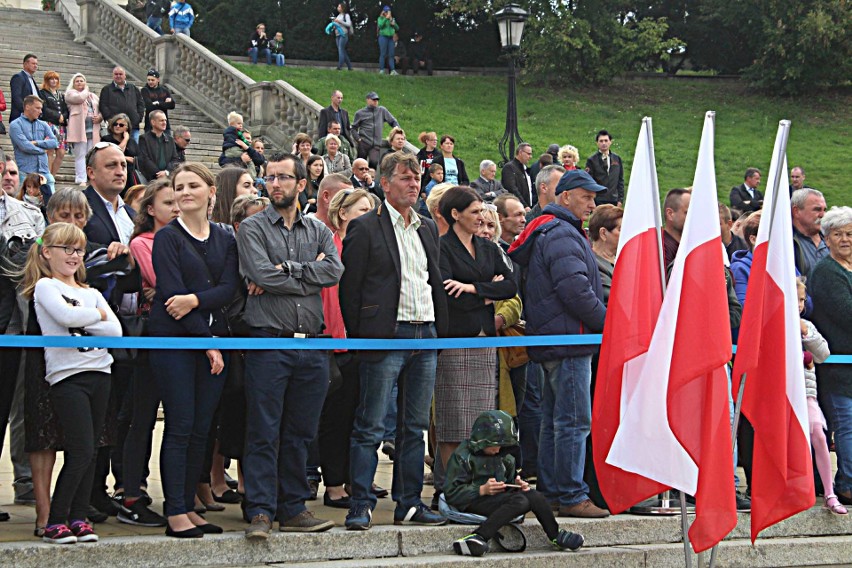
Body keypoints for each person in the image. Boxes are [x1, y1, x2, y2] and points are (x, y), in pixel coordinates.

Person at [339, 151, 448, 530]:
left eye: (416, 178)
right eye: (405, 177)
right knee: (370, 425)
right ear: (384, 183)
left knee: (415, 425)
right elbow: (349, 289)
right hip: (386, 335)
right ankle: (361, 503)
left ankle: (409, 502)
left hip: (426, 333)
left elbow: (431, 278)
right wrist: (362, 339)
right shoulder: (366, 226)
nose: (413, 184)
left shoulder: (427, 227)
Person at [237, 152, 342, 538]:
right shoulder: (252, 228)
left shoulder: (317, 230)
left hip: (311, 344)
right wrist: (301, 275)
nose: (274, 184)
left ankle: (293, 507)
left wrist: (288, 272)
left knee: (301, 431)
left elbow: (333, 271)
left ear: (302, 184)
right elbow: (259, 272)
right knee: (263, 429)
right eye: (269, 177)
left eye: (283, 177)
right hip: (268, 342)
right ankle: (261, 511)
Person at [508, 169, 610, 519]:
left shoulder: (551, 229)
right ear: (565, 197)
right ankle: (571, 494)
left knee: (555, 421)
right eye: (586, 196)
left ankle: (553, 492)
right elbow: (576, 292)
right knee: (573, 422)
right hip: (569, 341)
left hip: (558, 340)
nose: (592, 204)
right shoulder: (563, 234)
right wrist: (611, 324)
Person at [148, 162, 238, 538]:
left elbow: (228, 288)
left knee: (202, 428)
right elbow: (171, 298)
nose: (184, 193)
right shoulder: (168, 238)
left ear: (210, 191)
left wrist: (195, 301)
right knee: (181, 426)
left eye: (192, 186)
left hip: (212, 341)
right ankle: (176, 511)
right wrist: (206, 342)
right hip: (176, 343)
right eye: (178, 187)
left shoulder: (225, 236)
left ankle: (190, 504)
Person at [23, 222, 122, 544]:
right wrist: (98, 317)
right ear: (47, 252)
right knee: (79, 450)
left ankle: (78, 517)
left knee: (92, 451)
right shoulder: (45, 287)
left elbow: (116, 331)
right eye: (66, 248)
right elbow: (65, 318)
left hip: (100, 373)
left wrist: (92, 316)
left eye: (78, 249)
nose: (73, 255)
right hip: (68, 376)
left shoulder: (90, 292)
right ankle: (55, 520)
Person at [434, 186, 516, 474]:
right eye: (474, 212)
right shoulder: (441, 247)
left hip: (484, 341)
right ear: (455, 214)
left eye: (482, 210)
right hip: (456, 340)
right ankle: (451, 484)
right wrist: (487, 294)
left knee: (481, 418)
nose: (481, 217)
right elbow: (446, 294)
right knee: (454, 418)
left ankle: (475, 481)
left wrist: (472, 288)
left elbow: (510, 285)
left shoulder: (488, 247)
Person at [115, 180, 178, 528]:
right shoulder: (142, 242)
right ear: (150, 209)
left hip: (184, 340)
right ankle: (130, 494)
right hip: (151, 340)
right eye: (167, 202)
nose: (176, 207)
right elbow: (162, 281)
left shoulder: (187, 239)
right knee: (141, 418)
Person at [446, 410, 584, 557]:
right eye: (494, 445)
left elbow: (508, 483)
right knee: (520, 501)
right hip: (473, 500)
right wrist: (481, 490)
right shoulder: (462, 456)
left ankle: (555, 534)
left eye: (502, 445)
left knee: (534, 496)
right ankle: (478, 536)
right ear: (482, 439)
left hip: (498, 499)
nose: (498, 449)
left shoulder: (505, 457)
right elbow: (451, 493)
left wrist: (517, 484)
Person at [318, 186, 372, 509]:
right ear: (343, 213)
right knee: (334, 421)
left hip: (358, 341)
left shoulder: (367, 245)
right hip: (330, 341)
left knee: (356, 416)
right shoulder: (327, 243)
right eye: (361, 210)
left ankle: (354, 479)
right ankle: (333, 484)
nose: (368, 216)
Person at [809, 206, 852, 507]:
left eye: (850, 234)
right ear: (827, 238)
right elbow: (846, 313)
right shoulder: (826, 271)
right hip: (838, 367)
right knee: (846, 423)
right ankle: (847, 483)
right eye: (838, 234)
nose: (845, 239)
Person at [795, 278, 847, 515]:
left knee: (818, 430)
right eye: (794, 299)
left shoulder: (807, 325)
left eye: (802, 300)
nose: (798, 304)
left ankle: (829, 492)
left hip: (807, 396)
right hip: (782, 397)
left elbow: (823, 353)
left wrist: (805, 332)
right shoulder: (772, 324)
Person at [9, 96, 57, 193]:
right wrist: (43, 150)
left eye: (41, 108)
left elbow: (54, 142)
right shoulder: (15, 125)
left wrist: (37, 143)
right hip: (26, 172)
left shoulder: (44, 124)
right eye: (37, 108)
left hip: (44, 171)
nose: (40, 111)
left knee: (51, 203)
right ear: (27, 107)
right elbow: (24, 146)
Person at [64, 74, 102, 186]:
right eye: (77, 81)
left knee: (91, 156)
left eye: (82, 81)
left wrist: (100, 117)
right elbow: (80, 98)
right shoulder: (70, 94)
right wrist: (86, 90)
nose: (80, 83)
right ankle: (81, 179)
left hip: (93, 129)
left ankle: (91, 177)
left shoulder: (93, 96)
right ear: (73, 83)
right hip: (79, 129)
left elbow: (101, 108)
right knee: (80, 154)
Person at [352, 91, 399, 168]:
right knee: (360, 165)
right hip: (364, 143)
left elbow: (393, 121)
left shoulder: (382, 110)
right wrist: (359, 139)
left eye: (377, 100)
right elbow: (353, 128)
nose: (375, 102)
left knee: (373, 164)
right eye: (373, 100)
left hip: (376, 145)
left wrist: (397, 130)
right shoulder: (360, 113)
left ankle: (370, 179)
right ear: (367, 100)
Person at [99, 67, 145, 143]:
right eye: (116, 74)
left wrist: (138, 118)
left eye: (120, 74)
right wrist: (110, 119)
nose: (118, 76)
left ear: (125, 75)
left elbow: (140, 104)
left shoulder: (133, 88)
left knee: (133, 151)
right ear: (113, 75)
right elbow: (103, 106)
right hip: (115, 127)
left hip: (133, 125)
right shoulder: (106, 89)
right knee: (115, 150)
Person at [588, 204, 623, 305]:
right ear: (603, 233)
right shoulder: (595, 265)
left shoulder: (622, 259)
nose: (626, 233)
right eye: (620, 229)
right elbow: (616, 301)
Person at [792, 188, 829, 278]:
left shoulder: (832, 238)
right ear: (796, 211)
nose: (823, 215)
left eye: (824, 210)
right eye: (817, 209)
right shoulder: (786, 244)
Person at [38, 71, 69, 177]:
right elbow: (44, 108)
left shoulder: (61, 95)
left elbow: (66, 109)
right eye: (51, 79)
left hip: (61, 127)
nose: (54, 81)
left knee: (61, 152)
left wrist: (63, 117)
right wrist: (57, 116)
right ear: (47, 80)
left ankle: (52, 175)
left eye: (56, 79)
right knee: (49, 151)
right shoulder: (42, 93)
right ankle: (47, 176)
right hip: (49, 124)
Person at [584, 130, 624, 207]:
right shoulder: (592, 160)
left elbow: (620, 180)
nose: (604, 143)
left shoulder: (617, 159)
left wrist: (620, 199)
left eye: (606, 141)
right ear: (597, 143)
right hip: (598, 199)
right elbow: (588, 180)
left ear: (610, 142)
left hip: (613, 199)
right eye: (601, 141)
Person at [138, 110, 180, 182]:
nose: (164, 123)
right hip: (150, 179)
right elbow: (144, 159)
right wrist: (158, 174)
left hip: (167, 178)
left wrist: (166, 172)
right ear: (153, 122)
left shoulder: (170, 140)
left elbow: (175, 159)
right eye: (161, 120)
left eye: (165, 120)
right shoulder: (143, 139)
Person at [101, 114, 140, 189]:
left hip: (130, 177)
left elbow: (137, 158)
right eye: (115, 124)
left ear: (126, 128)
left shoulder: (132, 142)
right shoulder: (106, 139)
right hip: (112, 174)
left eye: (121, 125)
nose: (117, 126)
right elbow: (115, 153)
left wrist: (129, 159)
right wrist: (125, 139)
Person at [662, 188, 692, 268]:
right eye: (688, 213)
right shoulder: (660, 248)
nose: (693, 217)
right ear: (670, 214)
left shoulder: (691, 243)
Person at [501, 143, 535, 210]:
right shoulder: (509, 167)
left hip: (528, 206)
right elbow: (512, 189)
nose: (530, 157)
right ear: (520, 152)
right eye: (528, 154)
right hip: (516, 208)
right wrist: (524, 205)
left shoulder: (524, 168)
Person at [140, 69, 175, 133]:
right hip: (150, 126)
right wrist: (164, 104)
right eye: (148, 80)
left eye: (152, 80)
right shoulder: (144, 90)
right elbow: (149, 106)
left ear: (158, 80)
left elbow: (172, 105)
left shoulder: (164, 90)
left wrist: (157, 103)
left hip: (164, 125)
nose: (150, 82)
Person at [9, 54, 39, 123]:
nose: (36, 66)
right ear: (25, 64)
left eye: (36, 64)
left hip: (32, 118)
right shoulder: (18, 77)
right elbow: (16, 98)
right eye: (33, 63)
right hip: (21, 118)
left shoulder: (32, 79)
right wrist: (28, 111)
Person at [377, 6, 400, 75]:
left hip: (390, 38)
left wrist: (394, 24)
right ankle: (381, 70)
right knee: (383, 54)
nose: (387, 13)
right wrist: (385, 19)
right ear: (383, 12)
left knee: (391, 54)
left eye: (388, 11)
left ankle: (393, 70)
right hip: (383, 37)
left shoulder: (392, 19)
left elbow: (397, 28)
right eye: (386, 11)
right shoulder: (380, 18)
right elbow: (380, 26)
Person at [331, 3, 354, 71]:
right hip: (337, 35)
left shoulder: (346, 15)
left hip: (343, 34)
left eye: (339, 7)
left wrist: (339, 21)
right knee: (342, 51)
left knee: (340, 50)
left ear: (342, 8)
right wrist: (334, 25)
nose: (338, 8)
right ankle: (350, 67)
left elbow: (348, 24)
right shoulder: (338, 16)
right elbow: (337, 25)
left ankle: (339, 67)